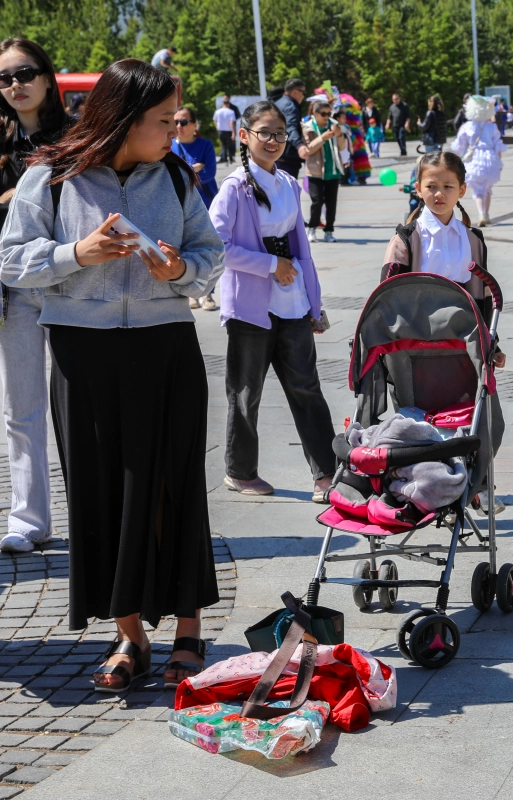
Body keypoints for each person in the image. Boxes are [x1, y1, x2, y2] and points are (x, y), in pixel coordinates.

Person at [0, 58, 225, 691]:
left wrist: (180, 271)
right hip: (82, 353)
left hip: (166, 350)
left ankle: (188, 631)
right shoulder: (49, 177)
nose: (174, 132)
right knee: (100, 493)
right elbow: (11, 260)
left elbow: (212, 255)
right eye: (163, 121)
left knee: (174, 490)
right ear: (125, 120)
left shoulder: (176, 176)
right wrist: (78, 253)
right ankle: (129, 636)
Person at [209, 100, 336, 505]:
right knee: (246, 392)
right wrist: (269, 264)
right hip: (251, 304)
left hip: (292, 300)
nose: (273, 140)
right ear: (243, 136)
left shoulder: (286, 183)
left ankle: (327, 474)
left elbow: (302, 250)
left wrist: (314, 304)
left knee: (307, 388)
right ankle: (240, 471)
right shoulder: (233, 188)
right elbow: (216, 247)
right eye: (264, 132)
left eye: (280, 133)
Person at [0, 38, 72, 554]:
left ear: (47, 77)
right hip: (13, 289)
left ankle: (99, 514)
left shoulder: (75, 137)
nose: (15, 85)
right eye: (4, 78)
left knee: (82, 406)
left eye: (25, 73)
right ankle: (29, 520)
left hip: (71, 282)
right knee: (20, 409)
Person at [381, 150, 506, 371]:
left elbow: (483, 296)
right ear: (418, 189)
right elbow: (386, 298)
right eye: (431, 186)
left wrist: (492, 343)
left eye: (448, 186)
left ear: (462, 190)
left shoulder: (472, 239)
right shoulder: (406, 240)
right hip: (416, 339)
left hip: (463, 339)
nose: (439, 193)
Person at [172, 106, 221, 315]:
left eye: (183, 122)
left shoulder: (206, 145)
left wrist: (185, 172)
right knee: (184, 248)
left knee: (206, 249)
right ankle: (192, 293)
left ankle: (208, 292)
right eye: (175, 122)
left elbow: (209, 173)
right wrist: (193, 169)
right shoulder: (168, 147)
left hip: (206, 203)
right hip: (177, 205)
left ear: (194, 125)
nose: (178, 126)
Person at [450, 95, 506, 227]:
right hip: (490, 158)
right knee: (487, 188)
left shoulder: (467, 126)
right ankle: (486, 214)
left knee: (478, 189)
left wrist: (456, 162)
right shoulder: (491, 127)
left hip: (473, 158)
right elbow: (498, 145)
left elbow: (459, 146)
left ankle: (481, 214)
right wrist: (499, 161)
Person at [302, 99, 343, 242]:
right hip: (315, 171)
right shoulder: (308, 127)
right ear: (315, 113)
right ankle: (312, 229)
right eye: (323, 114)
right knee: (317, 201)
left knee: (331, 204)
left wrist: (339, 135)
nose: (326, 117)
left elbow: (342, 147)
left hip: (332, 170)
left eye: (329, 113)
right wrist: (322, 138)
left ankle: (329, 231)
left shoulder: (334, 125)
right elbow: (309, 149)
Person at [274, 77, 308, 177]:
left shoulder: (278, 102)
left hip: (277, 153)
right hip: (288, 157)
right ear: (295, 92)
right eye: (303, 92)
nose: (303, 96)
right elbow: (290, 127)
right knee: (288, 190)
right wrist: (299, 145)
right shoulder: (290, 106)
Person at [213, 96, 237, 164]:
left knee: (223, 144)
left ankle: (224, 158)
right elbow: (231, 122)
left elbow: (215, 120)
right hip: (229, 130)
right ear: (228, 104)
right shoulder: (231, 111)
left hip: (221, 130)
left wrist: (217, 127)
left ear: (222, 104)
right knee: (230, 144)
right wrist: (233, 132)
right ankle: (231, 158)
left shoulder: (217, 111)